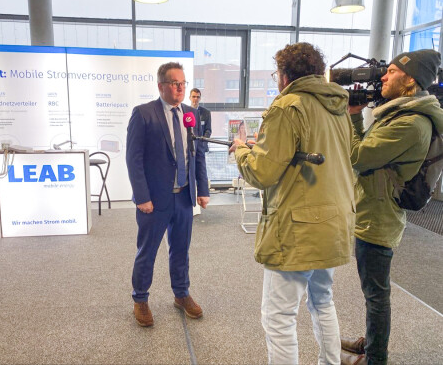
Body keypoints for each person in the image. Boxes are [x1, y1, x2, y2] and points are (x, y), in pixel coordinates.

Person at [229, 42, 355, 364]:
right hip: (334, 222)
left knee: (278, 316)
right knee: (322, 301)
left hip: (300, 228)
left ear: (285, 76)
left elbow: (261, 172)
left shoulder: (287, 106)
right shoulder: (337, 107)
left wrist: (242, 150)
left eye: (276, 74)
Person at [340, 50, 443, 365]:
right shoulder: (401, 114)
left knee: (376, 294)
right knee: (372, 289)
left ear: (410, 79)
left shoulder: (410, 123)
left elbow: (358, 157)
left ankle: (375, 358)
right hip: (376, 209)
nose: (383, 76)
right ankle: (372, 343)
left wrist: (353, 116)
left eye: (392, 71)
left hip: (378, 218)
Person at [126, 62, 210, 327]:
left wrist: (203, 189)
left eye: (183, 83)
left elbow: (196, 155)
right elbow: (134, 159)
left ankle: (181, 294)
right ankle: (140, 299)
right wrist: (141, 197)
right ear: (161, 86)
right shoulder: (143, 114)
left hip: (184, 197)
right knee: (147, 251)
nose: (180, 88)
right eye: (175, 83)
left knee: (181, 250)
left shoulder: (189, 115)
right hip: (154, 200)